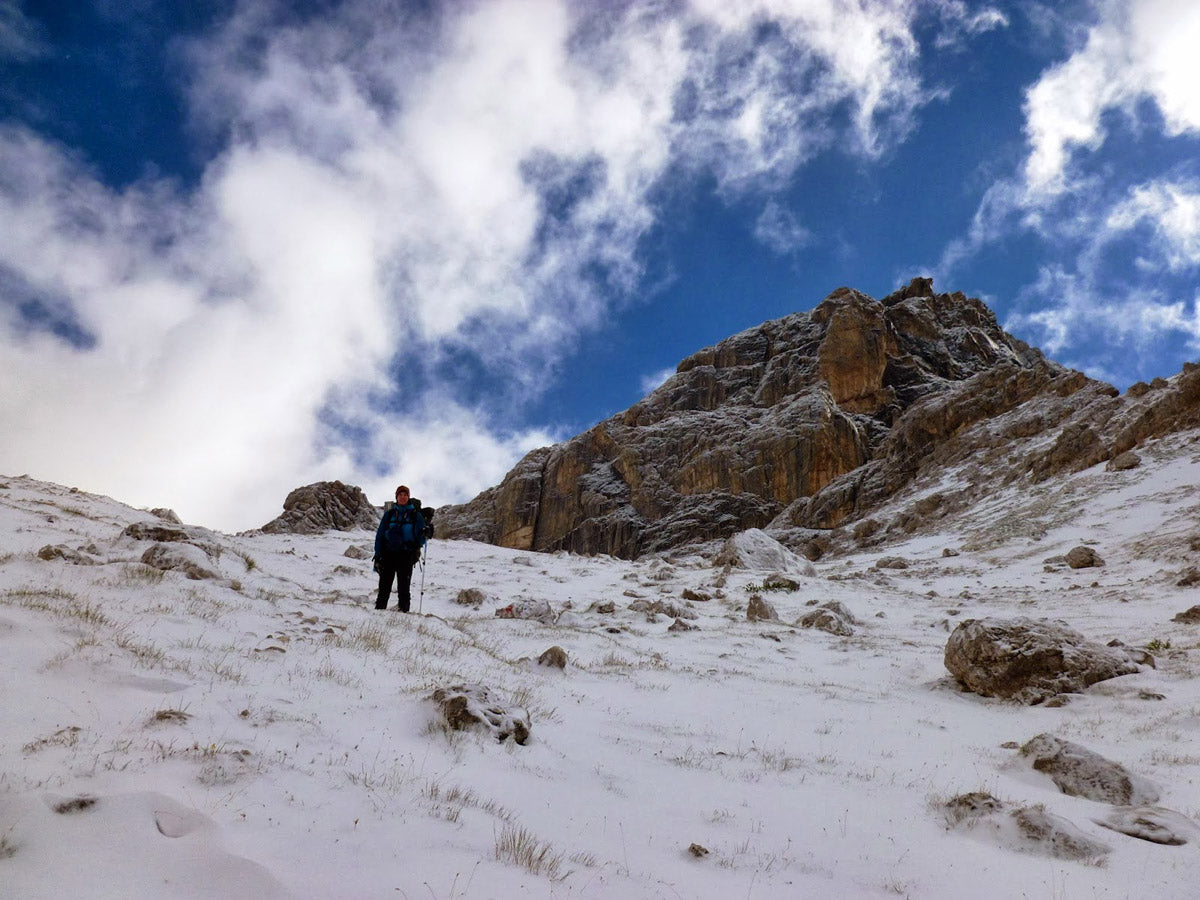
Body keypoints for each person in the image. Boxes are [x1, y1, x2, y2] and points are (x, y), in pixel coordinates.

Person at [374, 485, 426, 612]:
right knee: (384, 587)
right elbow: (380, 534)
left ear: (408, 497)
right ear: (396, 497)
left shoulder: (416, 515)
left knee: (404, 588)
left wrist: (426, 533)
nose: (402, 497)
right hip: (388, 553)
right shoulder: (389, 514)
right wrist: (377, 553)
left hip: (406, 554)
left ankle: (404, 614)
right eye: (400, 495)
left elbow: (421, 538)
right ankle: (378, 614)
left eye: (405, 495)